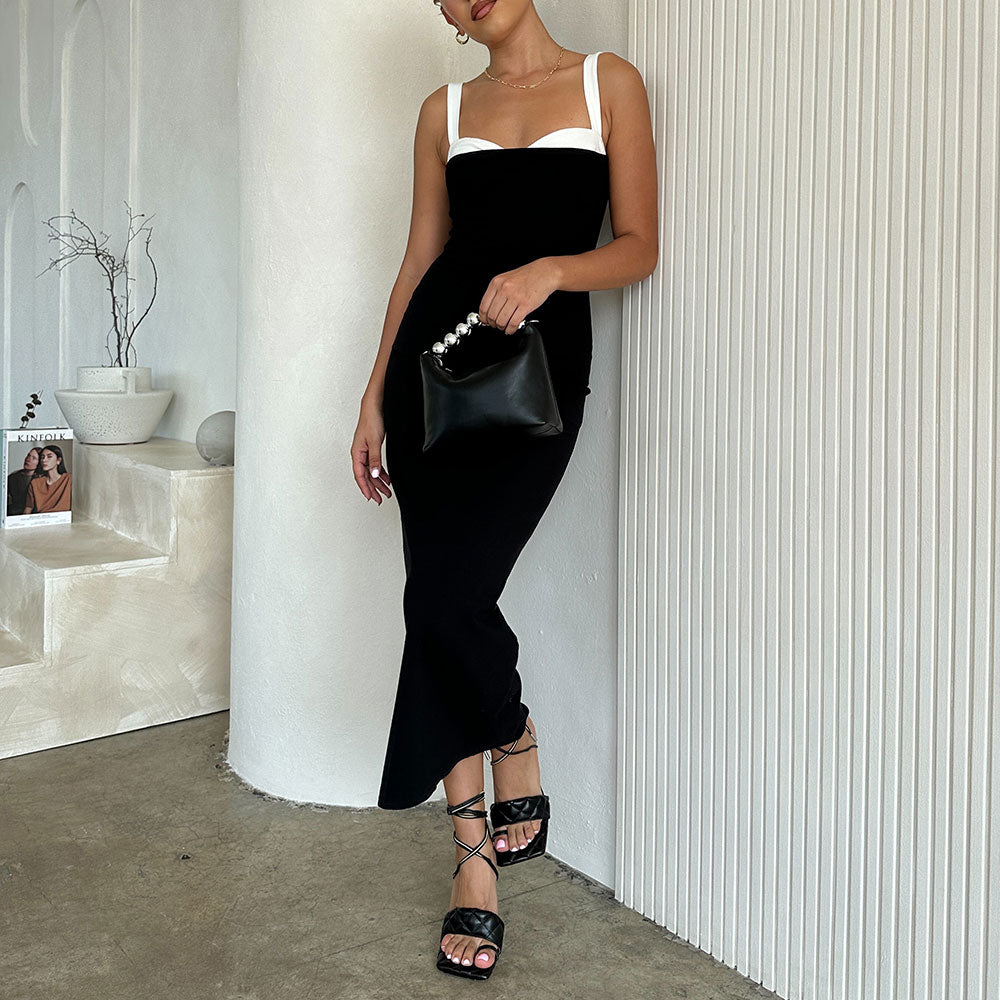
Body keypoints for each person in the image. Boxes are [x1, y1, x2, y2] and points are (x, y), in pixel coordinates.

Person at [350, 0, 657, 980]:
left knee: (451, 596)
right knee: (436, 600)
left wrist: (555, 268)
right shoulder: (441, 110)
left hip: (538, 379)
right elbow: (417, 263)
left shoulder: (609, 83)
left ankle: (509, 725)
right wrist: (369, 398)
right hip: (432, 384)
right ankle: (472, 860)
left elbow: (640, 243)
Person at [23, 445, 72, 513]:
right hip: (41, 519)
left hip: (63, 519)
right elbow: (28, 507)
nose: (44, 460)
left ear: (58, 460)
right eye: (42, 457)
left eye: (49, 457)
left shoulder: (69, 479)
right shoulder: (35, 483)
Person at [6, 447, 43, 517]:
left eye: (33, 458)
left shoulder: (41, 480)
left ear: (39, 463)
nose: (28, 459)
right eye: (28, 455)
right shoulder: (13, 477)